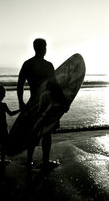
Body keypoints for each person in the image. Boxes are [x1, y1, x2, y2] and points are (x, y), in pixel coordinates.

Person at [17, 38, 68, 169]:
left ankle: (29, 161)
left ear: (34, 48)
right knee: (47, 133)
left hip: (33, 104)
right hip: (47, 104)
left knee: (32, 132)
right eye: (45, 47)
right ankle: (45, 161)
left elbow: (20, 85)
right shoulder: (48, 65)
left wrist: (21, 102)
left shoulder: (27, 64)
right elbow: (54, 86)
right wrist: (63, 101)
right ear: (44, 48)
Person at [0, 85, 20, 165]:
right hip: (3, 127)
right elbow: (11, 114)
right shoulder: (3, 105)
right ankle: (2, 160)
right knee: (3, 144)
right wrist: (20, 110)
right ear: (3, 96)